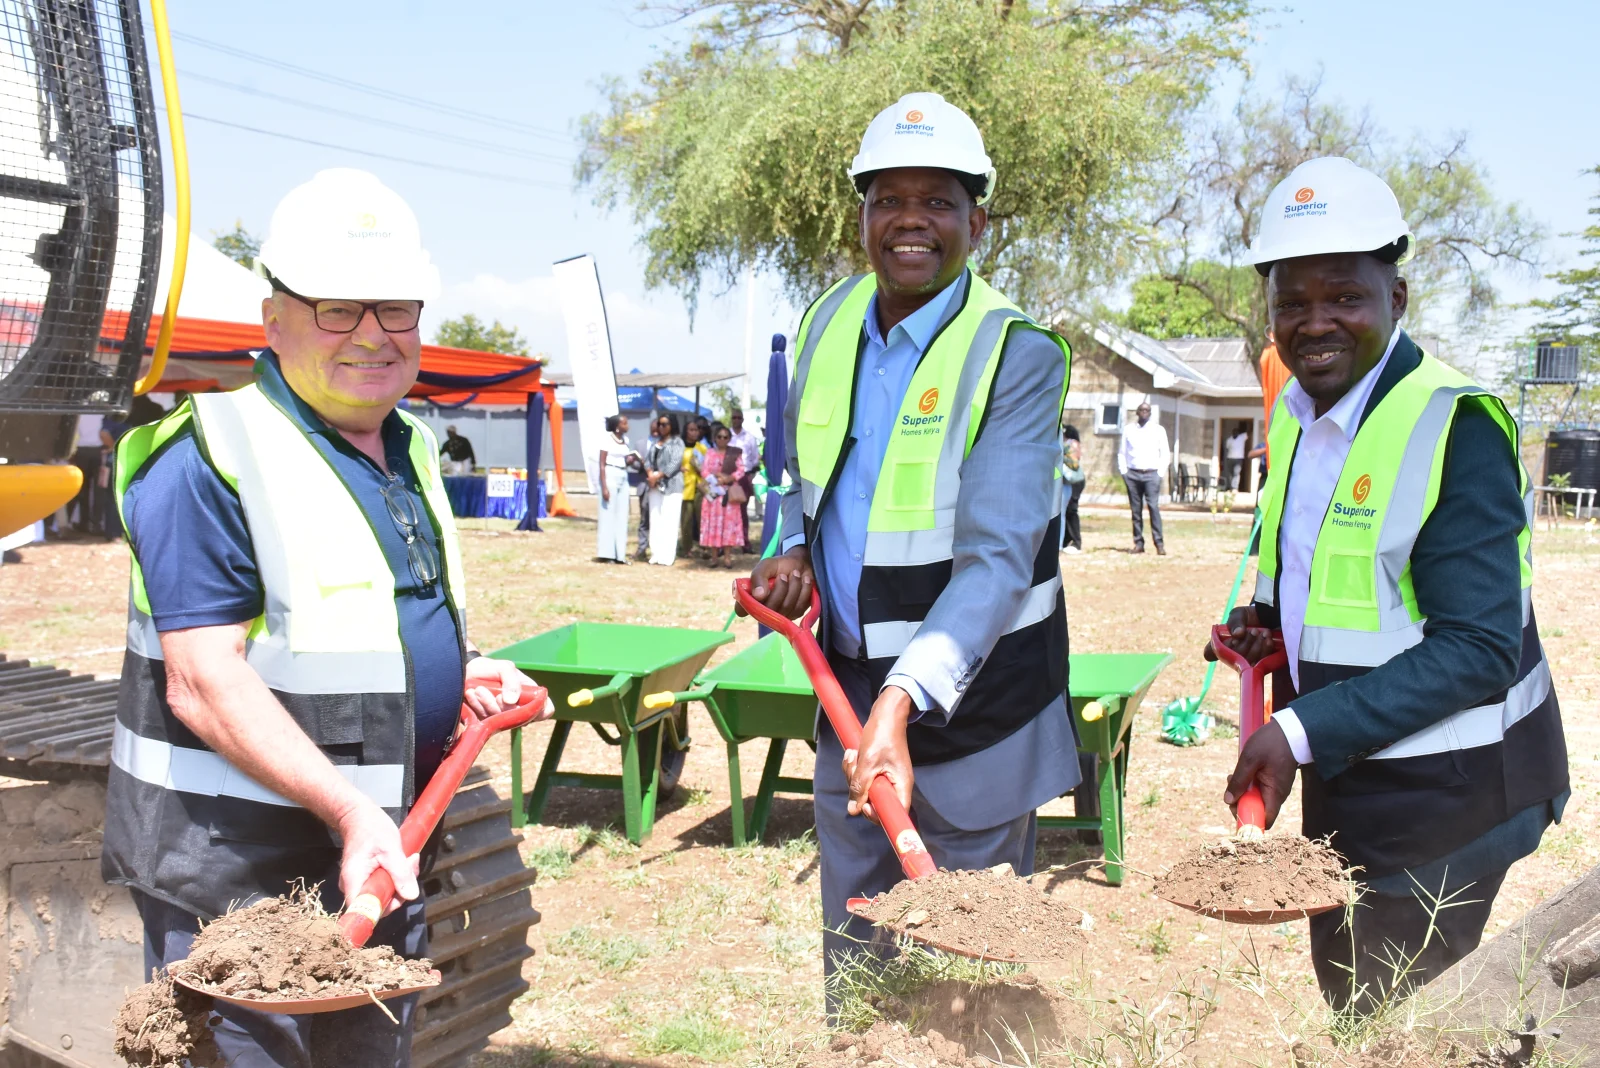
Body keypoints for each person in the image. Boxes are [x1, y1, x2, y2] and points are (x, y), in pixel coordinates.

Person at [104, 168, 555, 1065]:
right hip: (238, 888)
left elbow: (353, 624)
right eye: (338, 310)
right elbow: (203, 681)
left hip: (374, 859)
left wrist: (455, 673)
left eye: (396, 309)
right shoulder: (208, 455)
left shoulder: (407, 445)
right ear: (275, 321)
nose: (373, 337)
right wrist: (352, 814)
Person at [1207, 157, 1567, 1012]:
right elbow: (1335, 579)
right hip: (1354, 767)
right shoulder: (1301, 413)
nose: (1315, 321)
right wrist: (1269, 628)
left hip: (1450, 790)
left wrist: (1295, 731)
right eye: (1291, 301)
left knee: (1390, 1014)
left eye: (1345, 296)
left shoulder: (1455, 423)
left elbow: (1479, 648)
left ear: (1396, 299)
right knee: (1350, 989)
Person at [743, 92, 1077, 997]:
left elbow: (1000, 559)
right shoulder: (825, 324)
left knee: (963, 985)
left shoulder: (1017, 354)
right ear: (862, 214)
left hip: (976, 715)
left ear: (979, 221)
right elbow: (812, 481)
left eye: (937, 202)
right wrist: (796, 552)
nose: (910, 222)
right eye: (889, 198)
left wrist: (903, 699)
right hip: (850, 704)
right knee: (859, 964)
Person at [1117, 401, 1169, 555]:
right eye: (1142, 410)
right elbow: (1122, 452)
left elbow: (1165, 453)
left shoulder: (1158, 430)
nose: (1144, 412)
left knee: (1153, 507)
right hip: (1133, 474)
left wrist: (1160, 473)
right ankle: (1138, 543)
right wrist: (1124, 471)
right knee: (1136, 510)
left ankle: (1159, 543)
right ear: (1137, 412)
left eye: (1147, 410)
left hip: (1152, 474)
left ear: (1150, 413)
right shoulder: (1128, 430)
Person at [698, 423, 744, 568]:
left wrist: (728, 479)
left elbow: (741, 470)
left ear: (729, 438)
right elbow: (704, 470)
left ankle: (728, 557)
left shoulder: (734, 453)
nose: (722, 439)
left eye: (725, 437)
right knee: (713, 524)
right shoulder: (710, 453)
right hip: (713, 493)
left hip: (728, 494)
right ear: (715, 438)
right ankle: (713, 557)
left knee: (728, 525)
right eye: (719, 437)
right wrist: (716, 477)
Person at [644, 413, 685, 566]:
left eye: (665, 424)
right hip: (655, 486)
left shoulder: (677, 442)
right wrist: (650, 474)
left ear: (672, 425)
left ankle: (667, 555)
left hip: (671, 485)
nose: (661, 427)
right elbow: (647, 460)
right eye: (659, 424)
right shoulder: (656, 442)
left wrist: (658, 476)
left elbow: (674, 463)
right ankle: (656, 553)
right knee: (655, 519)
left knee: (669, 520)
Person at [596, 414, 636, 563]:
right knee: (608, 514)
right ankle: (606, 553)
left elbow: (625, 460)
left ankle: (620, 553)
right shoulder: (606, 440)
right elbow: (601, 464)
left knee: (621, 514)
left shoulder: (626, 441)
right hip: (610, 474)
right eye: (625, 423)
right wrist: (604, 486)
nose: (627, 425)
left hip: (623, 475)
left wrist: (631, 460)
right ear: (618, 426)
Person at [727, 407, 761, 552]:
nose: (736, 420)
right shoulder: (725, 435)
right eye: (734, 417)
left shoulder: (749, 438)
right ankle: (725, 545)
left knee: (742, 512)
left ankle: (745, 544)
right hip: (726, 478)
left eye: (738, 417)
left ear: (742, 419)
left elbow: (754, 459)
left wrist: (748, 474)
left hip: (743, 477)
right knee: (726, 512)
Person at [679, 418, 706, 558]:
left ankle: (704, 547)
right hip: (685, 486)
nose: (694, 433)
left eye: (696, 430)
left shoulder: (701, 448)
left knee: (702, 518)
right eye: (691, 430)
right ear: (686, 431)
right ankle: (687, 548)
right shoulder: (680, 447)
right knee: (686, 520)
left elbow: (708, 466)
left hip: (700, 487)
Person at [1060, 424, 1084, 553]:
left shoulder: (1071, 444)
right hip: (1068, 480)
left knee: (1072, 510)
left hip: (1073, 480)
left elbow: (1074, 463)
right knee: (1067, 511)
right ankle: (1066, 540)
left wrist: (1059, 455)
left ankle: (1076, 541)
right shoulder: (1065, 443)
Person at [1222, 424, 1248, 492]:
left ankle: (1234, 488)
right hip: (1230, 458)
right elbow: (1227, 449)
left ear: (1238, 433)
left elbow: (1249, 431)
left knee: (1236, 473)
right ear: (1232, 433)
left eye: (1236, 432)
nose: (1235, 433)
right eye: (1234, 432)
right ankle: (1230, 487)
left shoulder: (1242, 437)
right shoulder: (1229, 440)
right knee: (1230, 474)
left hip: (1239, 459)